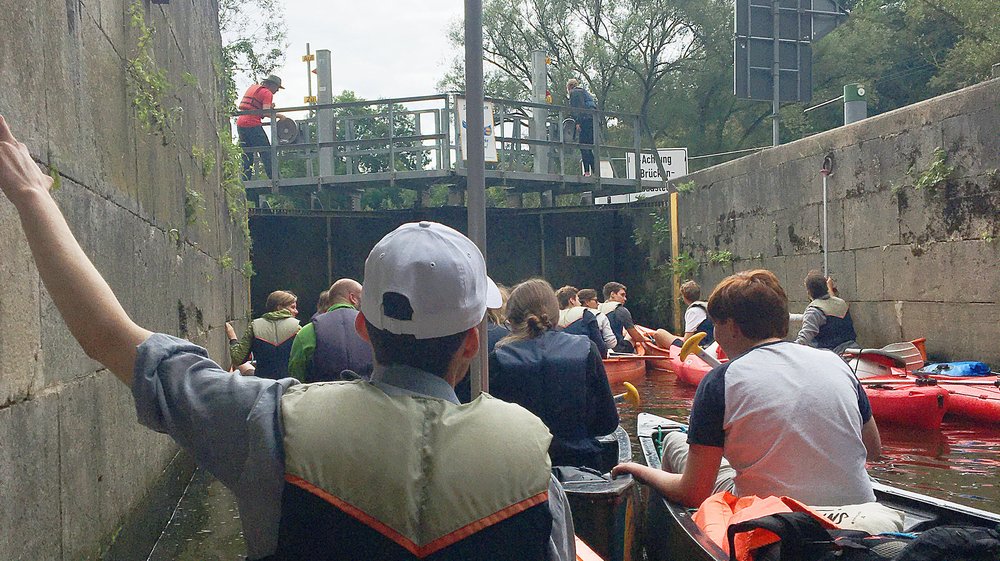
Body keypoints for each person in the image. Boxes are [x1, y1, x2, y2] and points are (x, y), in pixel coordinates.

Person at [0, 124, 575, 561]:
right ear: (473, 342)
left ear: (360, 327)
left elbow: (108, 338)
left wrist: (31, 193)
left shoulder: (268, 421)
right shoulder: (532, 472)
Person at [612, 269, 881, 508]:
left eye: (716, 325)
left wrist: (637, 469)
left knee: (672, 441)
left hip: (773, 519)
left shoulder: (720, 381)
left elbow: (693, 493)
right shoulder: (836, 362)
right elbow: (872, 450)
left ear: (731, 327)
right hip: (861, 509)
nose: (715, 334)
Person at [490, 279, 619, 469]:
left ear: (510, 318)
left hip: (520, 469)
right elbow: (607, 423)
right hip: (581, 461)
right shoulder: (586, 349)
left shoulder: (497, 358)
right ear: (555, 313)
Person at [287, 278, 373, 383]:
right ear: (353, 298)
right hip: (365, 396)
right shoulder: (372, 328)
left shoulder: (307, 331)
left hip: (322, 396)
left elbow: (296, 374)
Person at [226, 290, 301, 380]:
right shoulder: (298, 328)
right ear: (279, 308)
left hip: (262, 384)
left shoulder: (254, 327)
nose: (296, 311)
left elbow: (237, 358)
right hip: (291, 384)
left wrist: (232, 338)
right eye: (293, 307)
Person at [795, 269, 858, 354]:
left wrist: (789, 350)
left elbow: (803, 340)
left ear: (809, 292)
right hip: (853, 349)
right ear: (826, 287)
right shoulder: (841, 303)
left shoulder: (814, 311)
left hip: (830, 356)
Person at [236, 74, 283, 180]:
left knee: (247, 155)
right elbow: (266, 113)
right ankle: (275, 178)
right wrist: (280, 116)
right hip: (252, 124)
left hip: (240, 123)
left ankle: (245, 182)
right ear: (272, 85)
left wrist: (269, 108)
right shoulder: (267, 93)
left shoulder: (256, 89)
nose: (277, 91)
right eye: (277, 88)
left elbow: (259, 108)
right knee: (266, 151)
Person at [650, 280, 715, 349]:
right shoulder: (706, 306)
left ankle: (662, 350)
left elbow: (686, 341)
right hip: (710, 344)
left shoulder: (693, 311)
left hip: (698, 349)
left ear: (684, 297)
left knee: (659, 333)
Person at [555, 285, 608, 357]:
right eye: (578, 300)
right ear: (572, 300)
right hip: (584, 360)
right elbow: (599, 345)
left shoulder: (553, 318)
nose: (580, 303)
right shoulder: (586, 314)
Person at [598, 282, 645, 354]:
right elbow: (636, 337)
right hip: (617, 350)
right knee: (631, 336)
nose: (625, 299)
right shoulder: (621, 310)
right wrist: (648, 341)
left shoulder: (596, 309)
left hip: (600, 349)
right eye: (622, 295)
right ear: (612, 294)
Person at [567, 78, 597, 177]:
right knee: (589, 147)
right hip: (592, 119)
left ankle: (587, 172)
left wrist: (578, 122)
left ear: (569, 87)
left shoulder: (574, 93)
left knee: (583, 146)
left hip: (584, 120)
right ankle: (595, 172)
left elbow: (578, 108)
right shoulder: (583, 92)